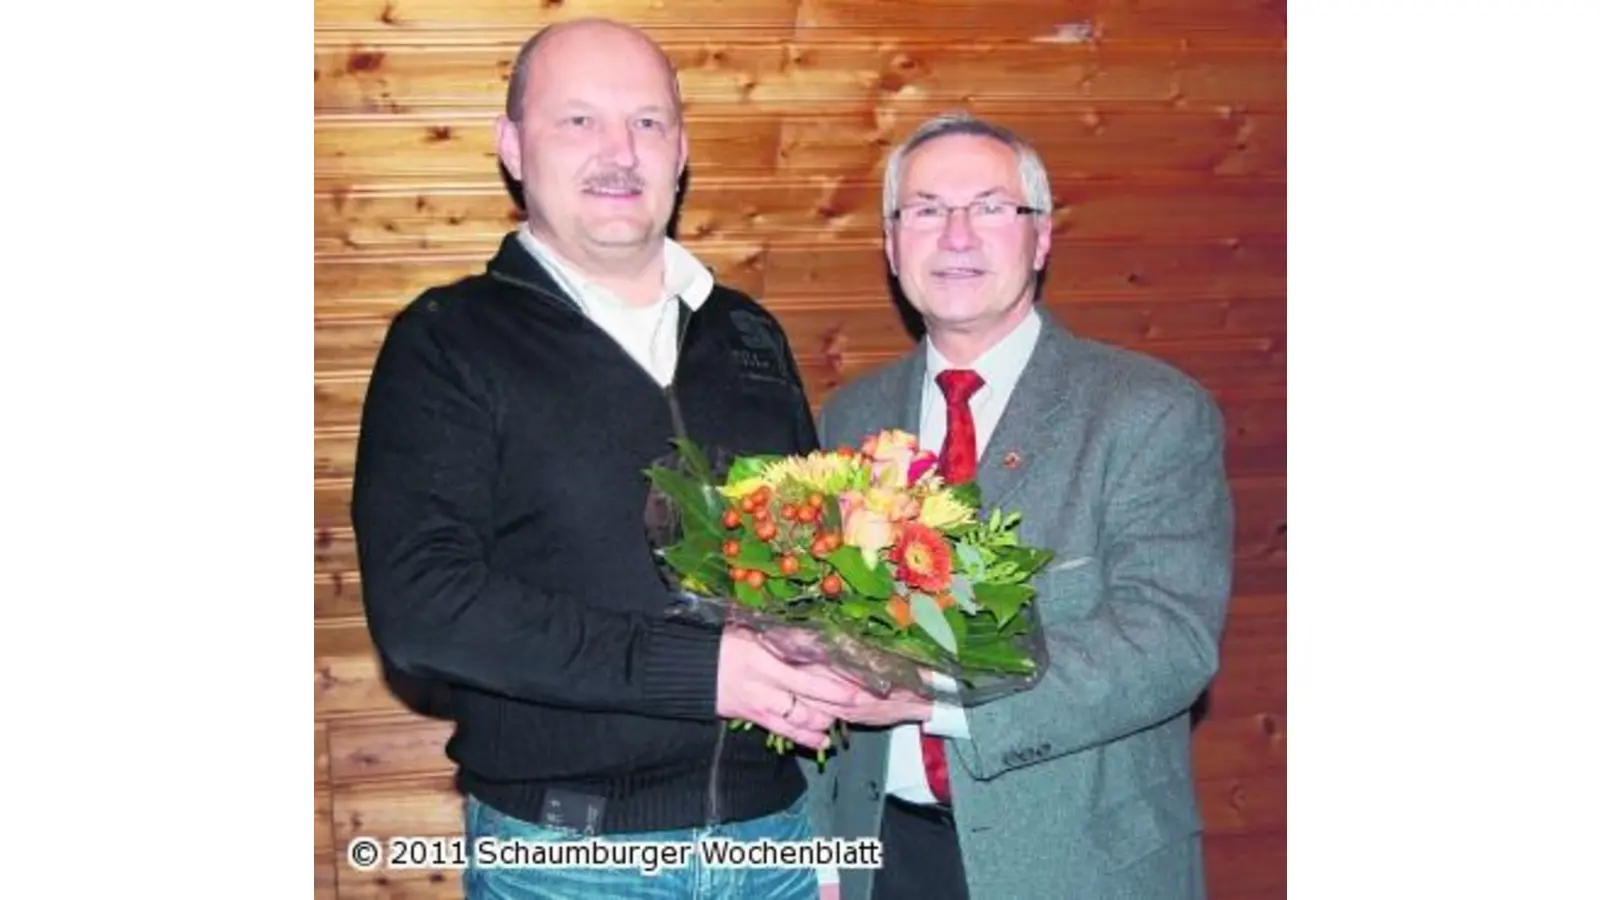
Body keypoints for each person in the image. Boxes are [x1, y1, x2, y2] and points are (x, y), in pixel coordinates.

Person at [349, 18, 861, 899]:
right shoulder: (447, 341)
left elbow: (803, 563)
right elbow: (424, 608)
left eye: (648, 122)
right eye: (578, 121)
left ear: (681, 150)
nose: (619, 151)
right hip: (571, 860)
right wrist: (699, 674)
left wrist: (857, 654)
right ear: (513, 147)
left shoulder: (747, 330)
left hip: (771, 835)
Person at [803, 112, 1236, 899]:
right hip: (883, 862)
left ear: (1040, 240)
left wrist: (938, 693)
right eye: (927, 209)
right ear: (892, 245)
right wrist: (821, 856)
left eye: (992, 207)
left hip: (1077, 865)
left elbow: (1168, 643)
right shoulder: (847, 418)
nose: (958, 235)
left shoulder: (1149, 412)